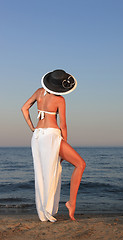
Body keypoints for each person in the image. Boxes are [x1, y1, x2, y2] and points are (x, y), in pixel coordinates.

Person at [21, 69, 86, 222]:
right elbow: (63, 125)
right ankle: (71, 203)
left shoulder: (38, 92)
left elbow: (24, 108)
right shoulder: (60, 100)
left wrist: (32, 127)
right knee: (80, 164)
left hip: (37, 137)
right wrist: (64, 144)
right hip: (51, 136)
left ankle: (44, 209)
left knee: (42, 173)